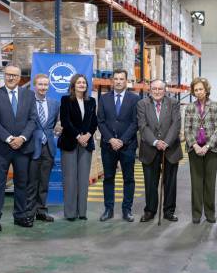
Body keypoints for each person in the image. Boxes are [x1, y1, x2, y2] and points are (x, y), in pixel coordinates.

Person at [0, 65, 37, 231]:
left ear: (19, 78)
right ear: (4, 76)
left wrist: (22, 138)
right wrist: (9, 139)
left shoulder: (29, 95)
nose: (11, 78)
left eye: (14, 76)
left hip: (23, 148)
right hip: (2, 148)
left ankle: (20, 216)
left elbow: (32, 120)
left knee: (22, 183)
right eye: (8, 75)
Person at [137, 79, 183, 222]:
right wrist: (156, 142)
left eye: (160, 89)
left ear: (165, 90)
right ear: (150, 90)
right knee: (150, 182)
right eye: (154, 89)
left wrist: (166, 142)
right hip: (149, 148)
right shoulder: (142, 104)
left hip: (170, 149)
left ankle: (169, 211)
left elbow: (176, 124)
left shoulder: (173, 103)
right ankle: (150, 210)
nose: (157, 92)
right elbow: (142, 126)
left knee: (170, 182)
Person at [97, 69, 139, 222]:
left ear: (126, 81)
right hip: (108, 146)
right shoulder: (104, 98)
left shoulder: (134, 99)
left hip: (127, 145)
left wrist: (122, 140)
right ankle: (108, 209)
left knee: (129, 178)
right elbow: (100, 121)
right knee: (109, 178)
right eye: (116, 79)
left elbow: (136, 122)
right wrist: (110, 139)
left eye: (121, 79)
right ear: (112, 81)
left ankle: (127, 210)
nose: (119, 81)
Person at [184, 77, 217, 224]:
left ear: (206, 90)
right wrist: (195, 145)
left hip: (211, 149)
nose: (198, 92)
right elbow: (187, 129)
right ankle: (196, 214)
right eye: (195, 90)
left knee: (210, 183)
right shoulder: (189, 107)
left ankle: (209, 213)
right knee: (196, 183)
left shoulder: (215, 106)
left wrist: (207, 146)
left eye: (201, 89)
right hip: (194, 149)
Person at [58, 74, 98, 221]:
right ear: (73, 85)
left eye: (84, 82)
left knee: (82, 179)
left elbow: (94, 121)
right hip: (70, 143)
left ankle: (82, 212)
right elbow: (65, 121)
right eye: (79, 82)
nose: (81, 84)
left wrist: (87, 135)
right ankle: (70, 213)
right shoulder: (66, 100)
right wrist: (78, 137)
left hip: (86, 144)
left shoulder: (91, 101)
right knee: (69, 180)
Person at [26, 74, 60, 223]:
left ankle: (41, 210)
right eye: (40, 84)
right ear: (34, 85)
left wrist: (59, 127)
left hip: (49, 147)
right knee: (32, 182)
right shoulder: (28, 102)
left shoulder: (54, 103)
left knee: (44, 182)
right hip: (32, 146)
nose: (43, 87)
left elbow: (56, 123)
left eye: (46, 85)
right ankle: (29, 212)